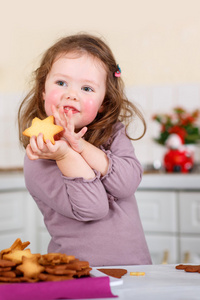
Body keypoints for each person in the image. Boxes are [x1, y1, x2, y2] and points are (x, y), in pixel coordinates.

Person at [18, 33, 152, 266]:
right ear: (42, 91)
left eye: (87, 88)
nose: (72, 93)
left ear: (104, 103)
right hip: (76, 273)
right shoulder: (38, 158)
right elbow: (93, 209)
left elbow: (127, 184)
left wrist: (80, 146)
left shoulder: (113, 134)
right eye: (61, 83)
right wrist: (64, 154)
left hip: (136, 269)